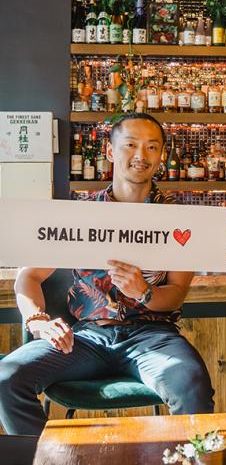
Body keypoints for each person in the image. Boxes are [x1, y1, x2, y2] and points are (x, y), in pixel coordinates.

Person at [0, 113, 214, 435]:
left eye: (152, 147)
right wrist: (38, 320)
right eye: (130, 145)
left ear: (161, 156)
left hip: (152, 337)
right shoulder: (80, 214)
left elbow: (175, 295)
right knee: (6, 378)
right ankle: (38, 457)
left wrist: (144, 291)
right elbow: (26, 277)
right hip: (86, 338)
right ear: (111, 152)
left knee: (190, 381)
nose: (141, 155)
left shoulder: (179, 219)